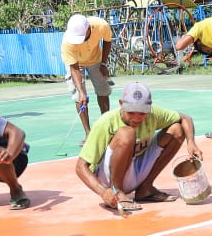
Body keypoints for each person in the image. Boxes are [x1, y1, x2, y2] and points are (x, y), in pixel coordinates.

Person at [74, 81, 199, 212]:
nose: (137, 118)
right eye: (131, 112)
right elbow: (80, 167)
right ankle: (117, 191)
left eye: (142, 113)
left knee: (177, 129)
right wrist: (103, 191)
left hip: (134, 168)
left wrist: (191, 142)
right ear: (121, 104)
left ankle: (145, 188)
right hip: (106, 178)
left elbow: (185, 118)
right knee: (127, 133)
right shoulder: (105, 122)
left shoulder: (153, 114)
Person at [60, 13, 113, 136]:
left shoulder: (101, 25)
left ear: (89, 29)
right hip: (76, 64)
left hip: (96, 59)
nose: (80, 41)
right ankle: (88, 133)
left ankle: (106, 130)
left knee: (103, 91)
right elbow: (74, 68)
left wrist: (104, 64)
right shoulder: (67, 41)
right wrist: (82, 92)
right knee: (79, 96)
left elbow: (107, 41)